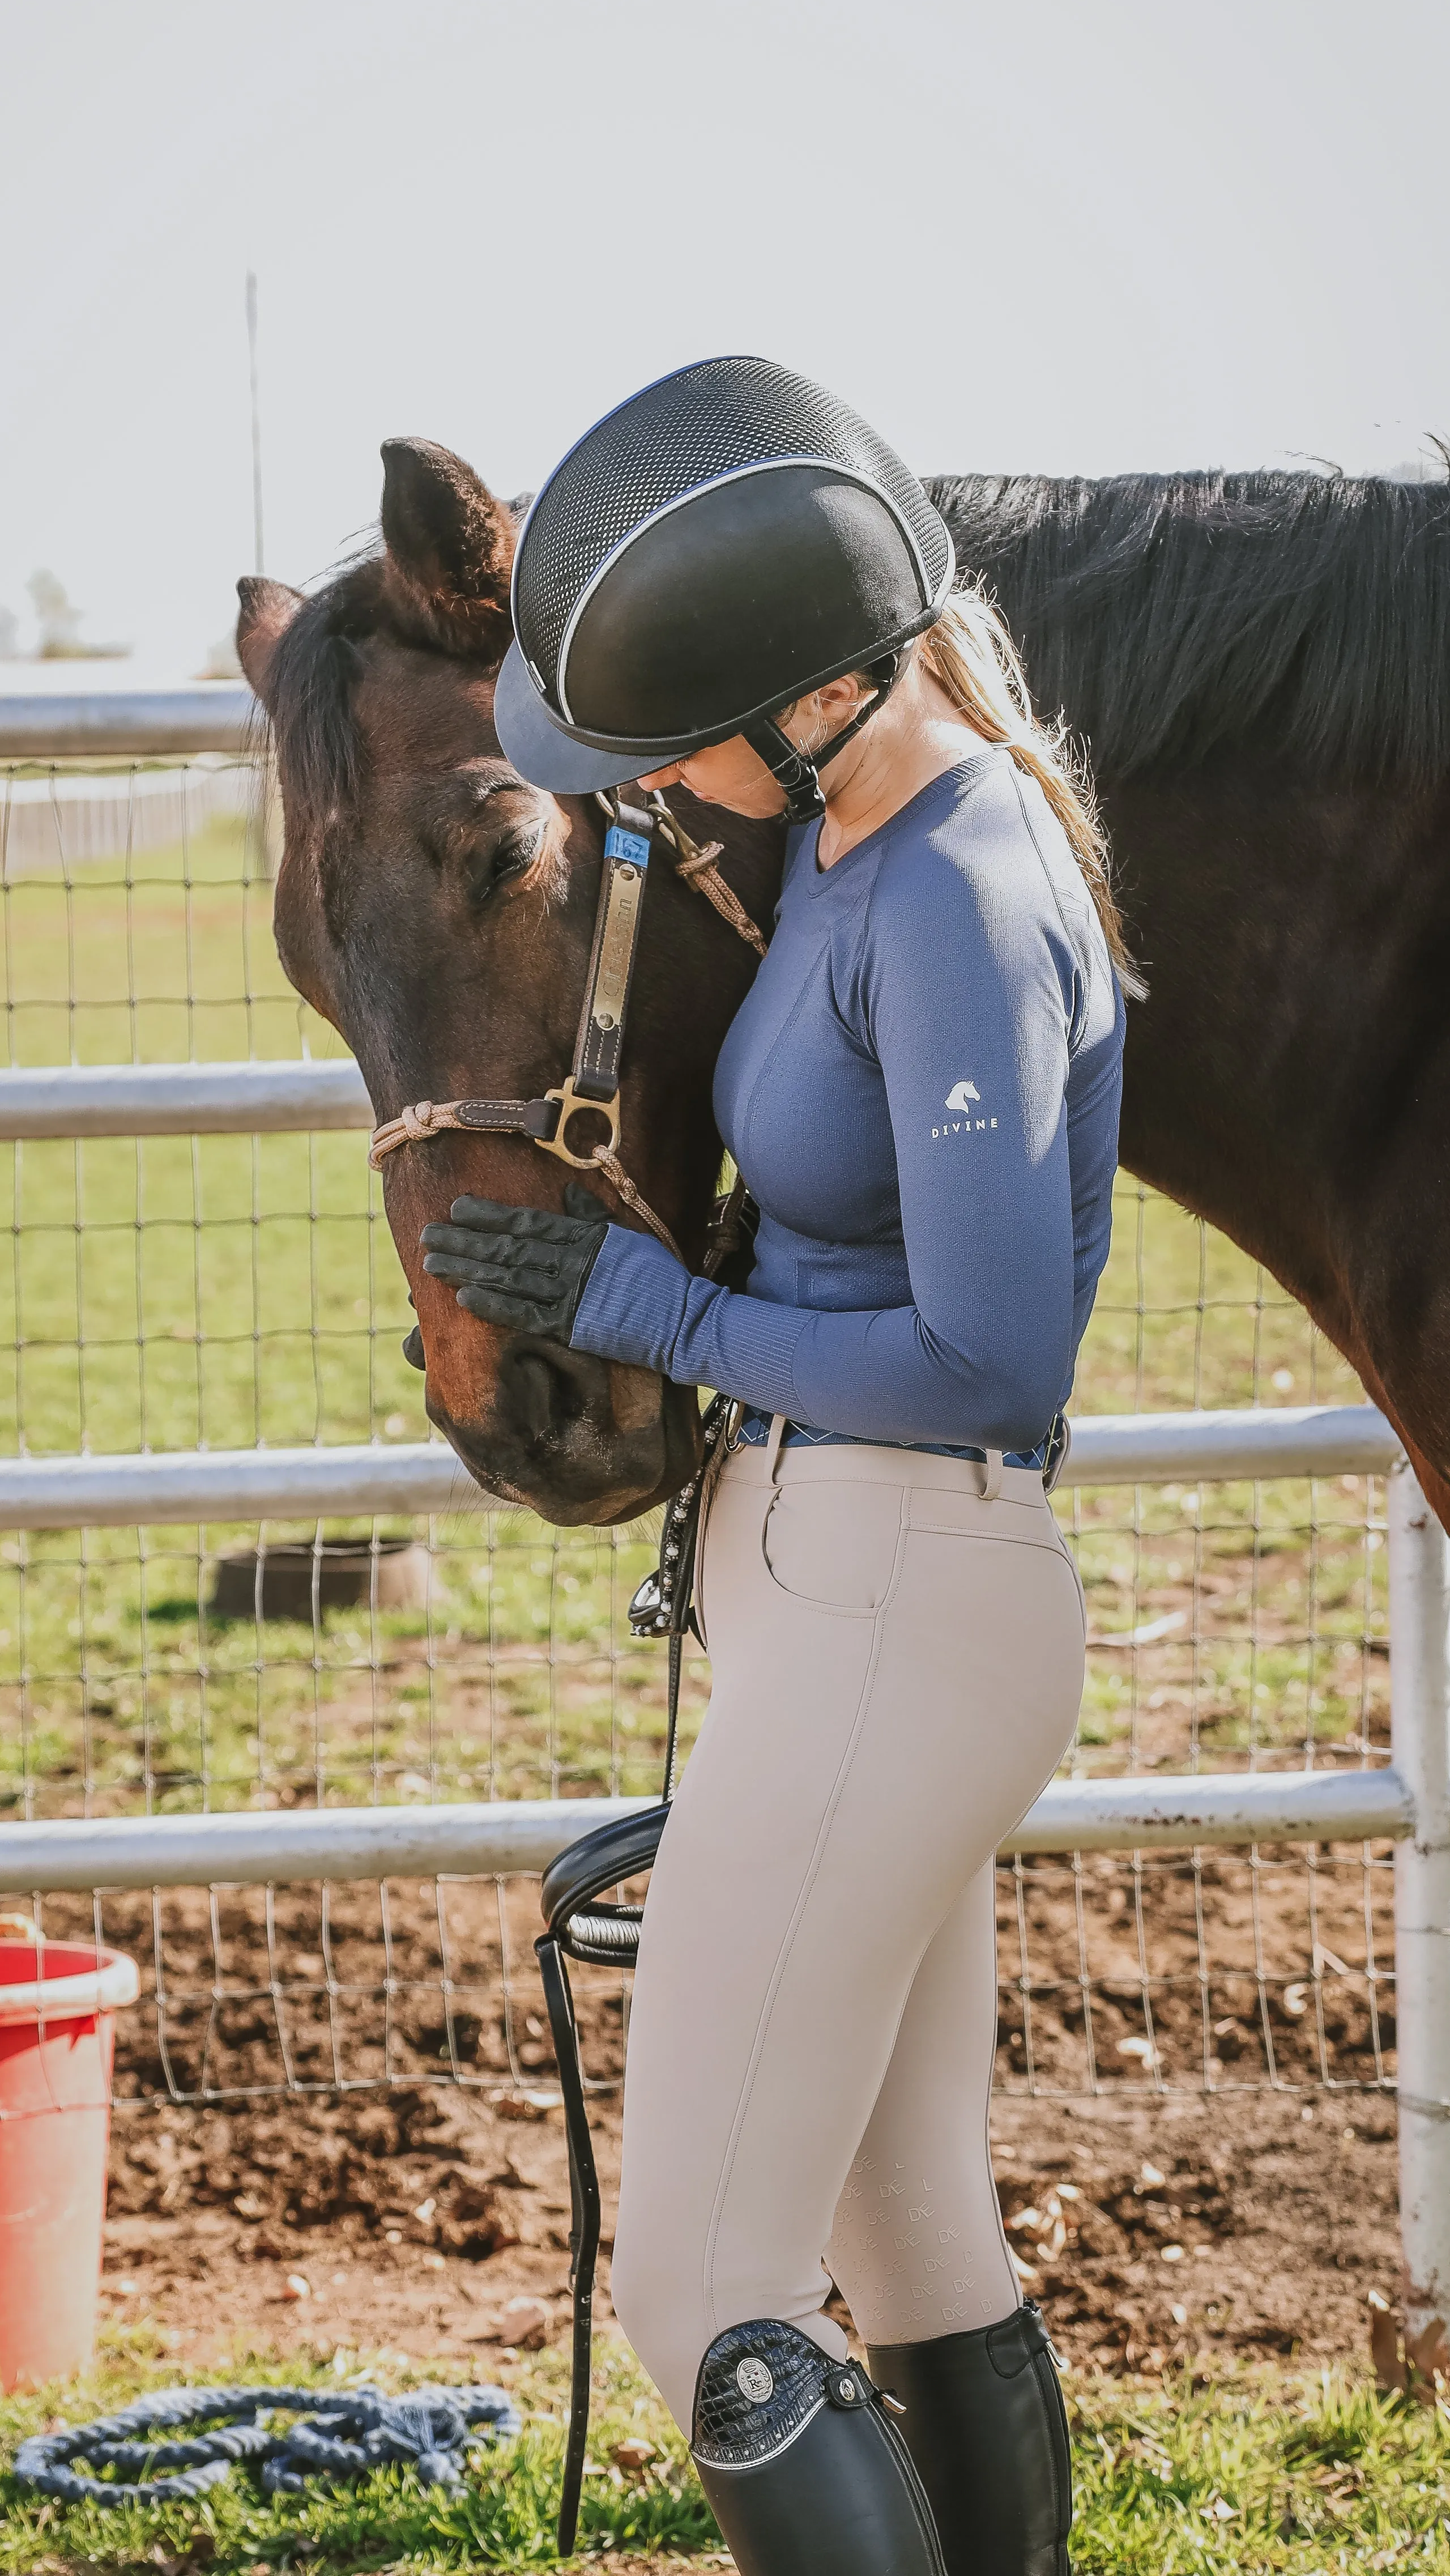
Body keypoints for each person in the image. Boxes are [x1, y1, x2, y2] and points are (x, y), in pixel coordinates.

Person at [421, 357, 1131, 2576]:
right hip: (849, 1593)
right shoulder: (845, 845)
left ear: (799, 692)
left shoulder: (948, 890)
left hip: (898, 1592)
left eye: (666, 741)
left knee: (698, 2286)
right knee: (901, 2225)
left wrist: (658, 1321)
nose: (650, 783)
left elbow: (993, 1346)